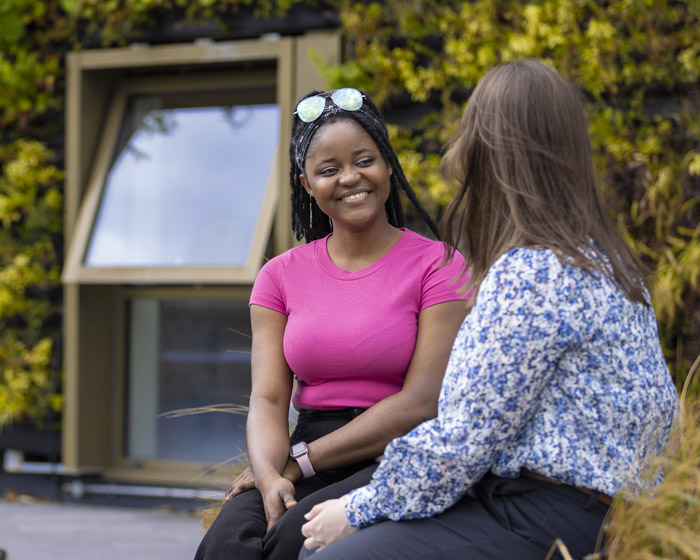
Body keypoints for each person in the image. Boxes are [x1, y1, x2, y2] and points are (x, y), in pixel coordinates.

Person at [299, 59, 681, 560]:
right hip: (605, 508)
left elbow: (465, 436)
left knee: (327, 556)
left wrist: (359, 507)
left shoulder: (534, 272)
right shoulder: (606, 262)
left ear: (490, 152)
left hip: (550, 514)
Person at [194, 87, 470, 560]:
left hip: (396, 451)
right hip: (305, 447)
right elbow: (268, 397)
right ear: (307, 185)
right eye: (328, 169)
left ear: (386, 164)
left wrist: (298, 466)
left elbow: (422, 402)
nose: (350, 178)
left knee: (293, 538)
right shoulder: (279, 276)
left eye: (364, 160)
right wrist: (268, 476)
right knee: (227, 543)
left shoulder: (439, 265)